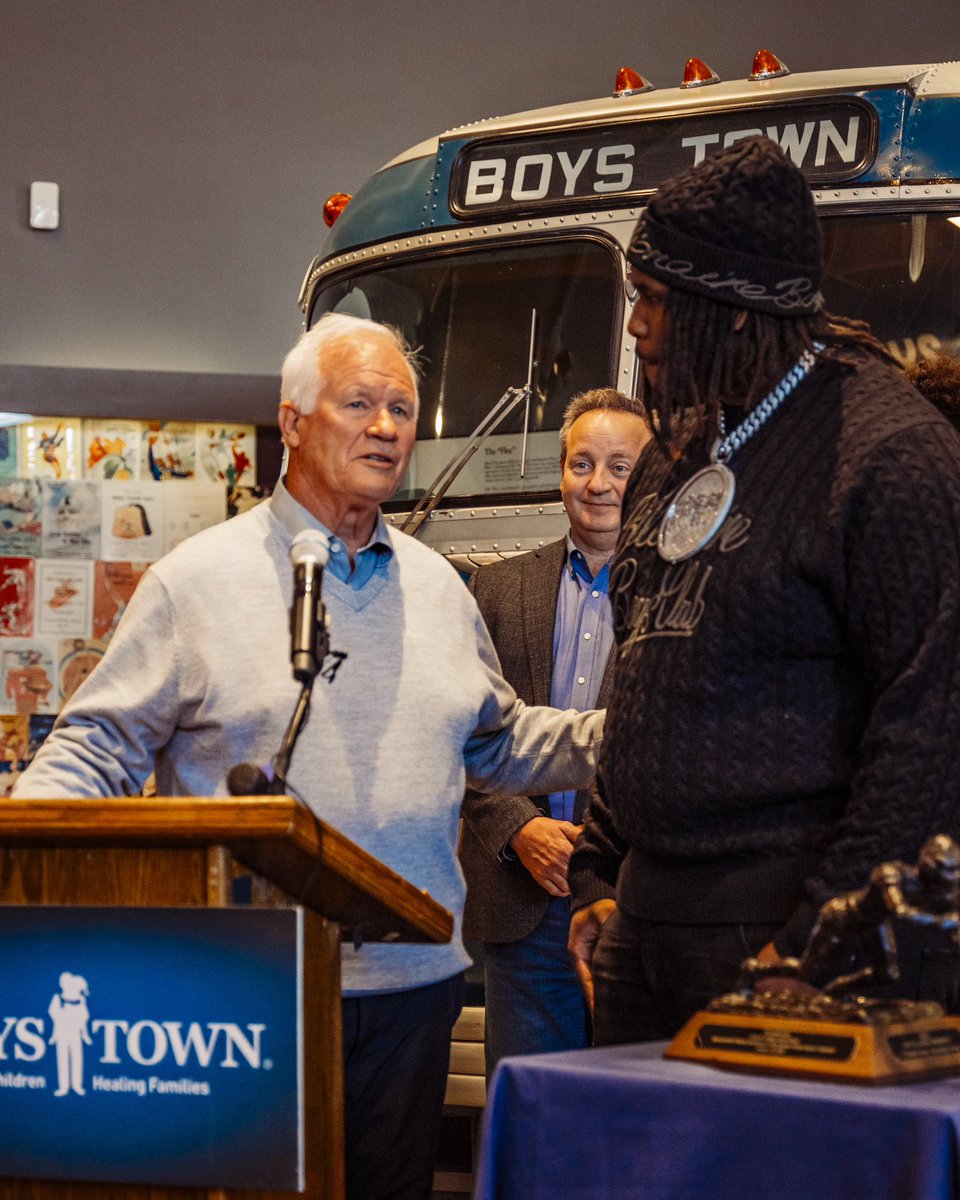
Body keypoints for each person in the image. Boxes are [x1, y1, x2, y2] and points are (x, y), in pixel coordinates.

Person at [13, 313, 604, 1200]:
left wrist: (636, 731)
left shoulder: (441, 588)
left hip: (413, 986)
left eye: (402, 407)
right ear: (291, 421)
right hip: (244, 993)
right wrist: (28, 870)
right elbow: (96, 748)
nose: (387, 426)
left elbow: (500, 741)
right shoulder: (196, 580)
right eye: (359, 402)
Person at [567, 135, 960, 1046]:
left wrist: (819, 940)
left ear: (735, 310)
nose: (636, 328)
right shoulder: (677, 449)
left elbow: (931, 728)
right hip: (642, 925)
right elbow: (650, 669)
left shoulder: (890, 456)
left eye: (655, 303)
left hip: (781, 932)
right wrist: (599, 870)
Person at [460, 388, 649, 1074]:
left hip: (634, 904)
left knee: (631, 1126)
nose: (597, 484)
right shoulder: (496, 589)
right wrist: (516, 827)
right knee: (533, 1116)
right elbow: (464, 734)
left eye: (620, 467)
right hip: (526, 902)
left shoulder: (684, 590)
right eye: (582, 463)